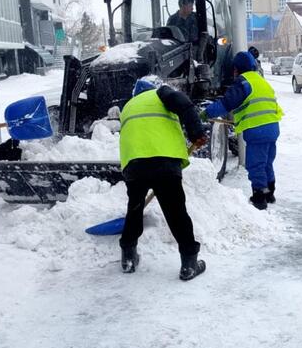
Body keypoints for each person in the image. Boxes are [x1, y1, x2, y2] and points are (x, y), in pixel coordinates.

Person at [118, 78, 208, 281]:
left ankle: (128, 258)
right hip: (163, 162)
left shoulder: (128, 106)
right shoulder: (160, 94)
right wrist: (196, 132)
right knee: (176, 213)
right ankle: (189, 264)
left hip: (134, 164)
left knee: (134, 209)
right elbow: (184, 104)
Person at [202, 52, 283, 210]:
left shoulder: (243, 82)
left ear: (237, 69)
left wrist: (206, 113)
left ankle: (259, 198)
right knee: (266, 162)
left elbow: (226, 103)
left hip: (257, 129)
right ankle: (269, 193)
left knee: (255, 164)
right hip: (272, 127)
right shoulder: (260, 80)